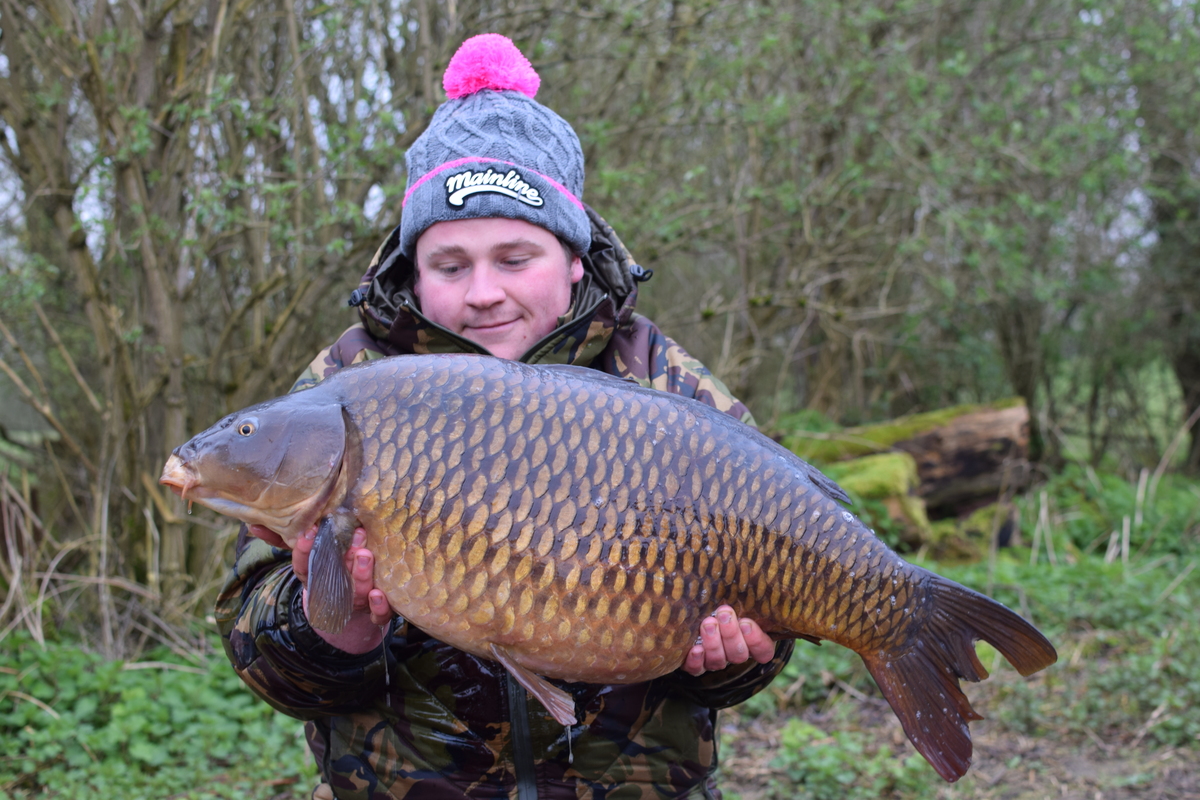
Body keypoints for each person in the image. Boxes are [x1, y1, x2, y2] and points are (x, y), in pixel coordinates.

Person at [215, 34, 794, 800]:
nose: (482, 291)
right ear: (413, 274)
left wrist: (741, 657)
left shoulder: (666, 386)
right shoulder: (347, 389)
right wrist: (336, 629)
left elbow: (777, 605)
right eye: (450, 266)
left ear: (575, 258)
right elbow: (254, 639)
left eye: (515, 259)